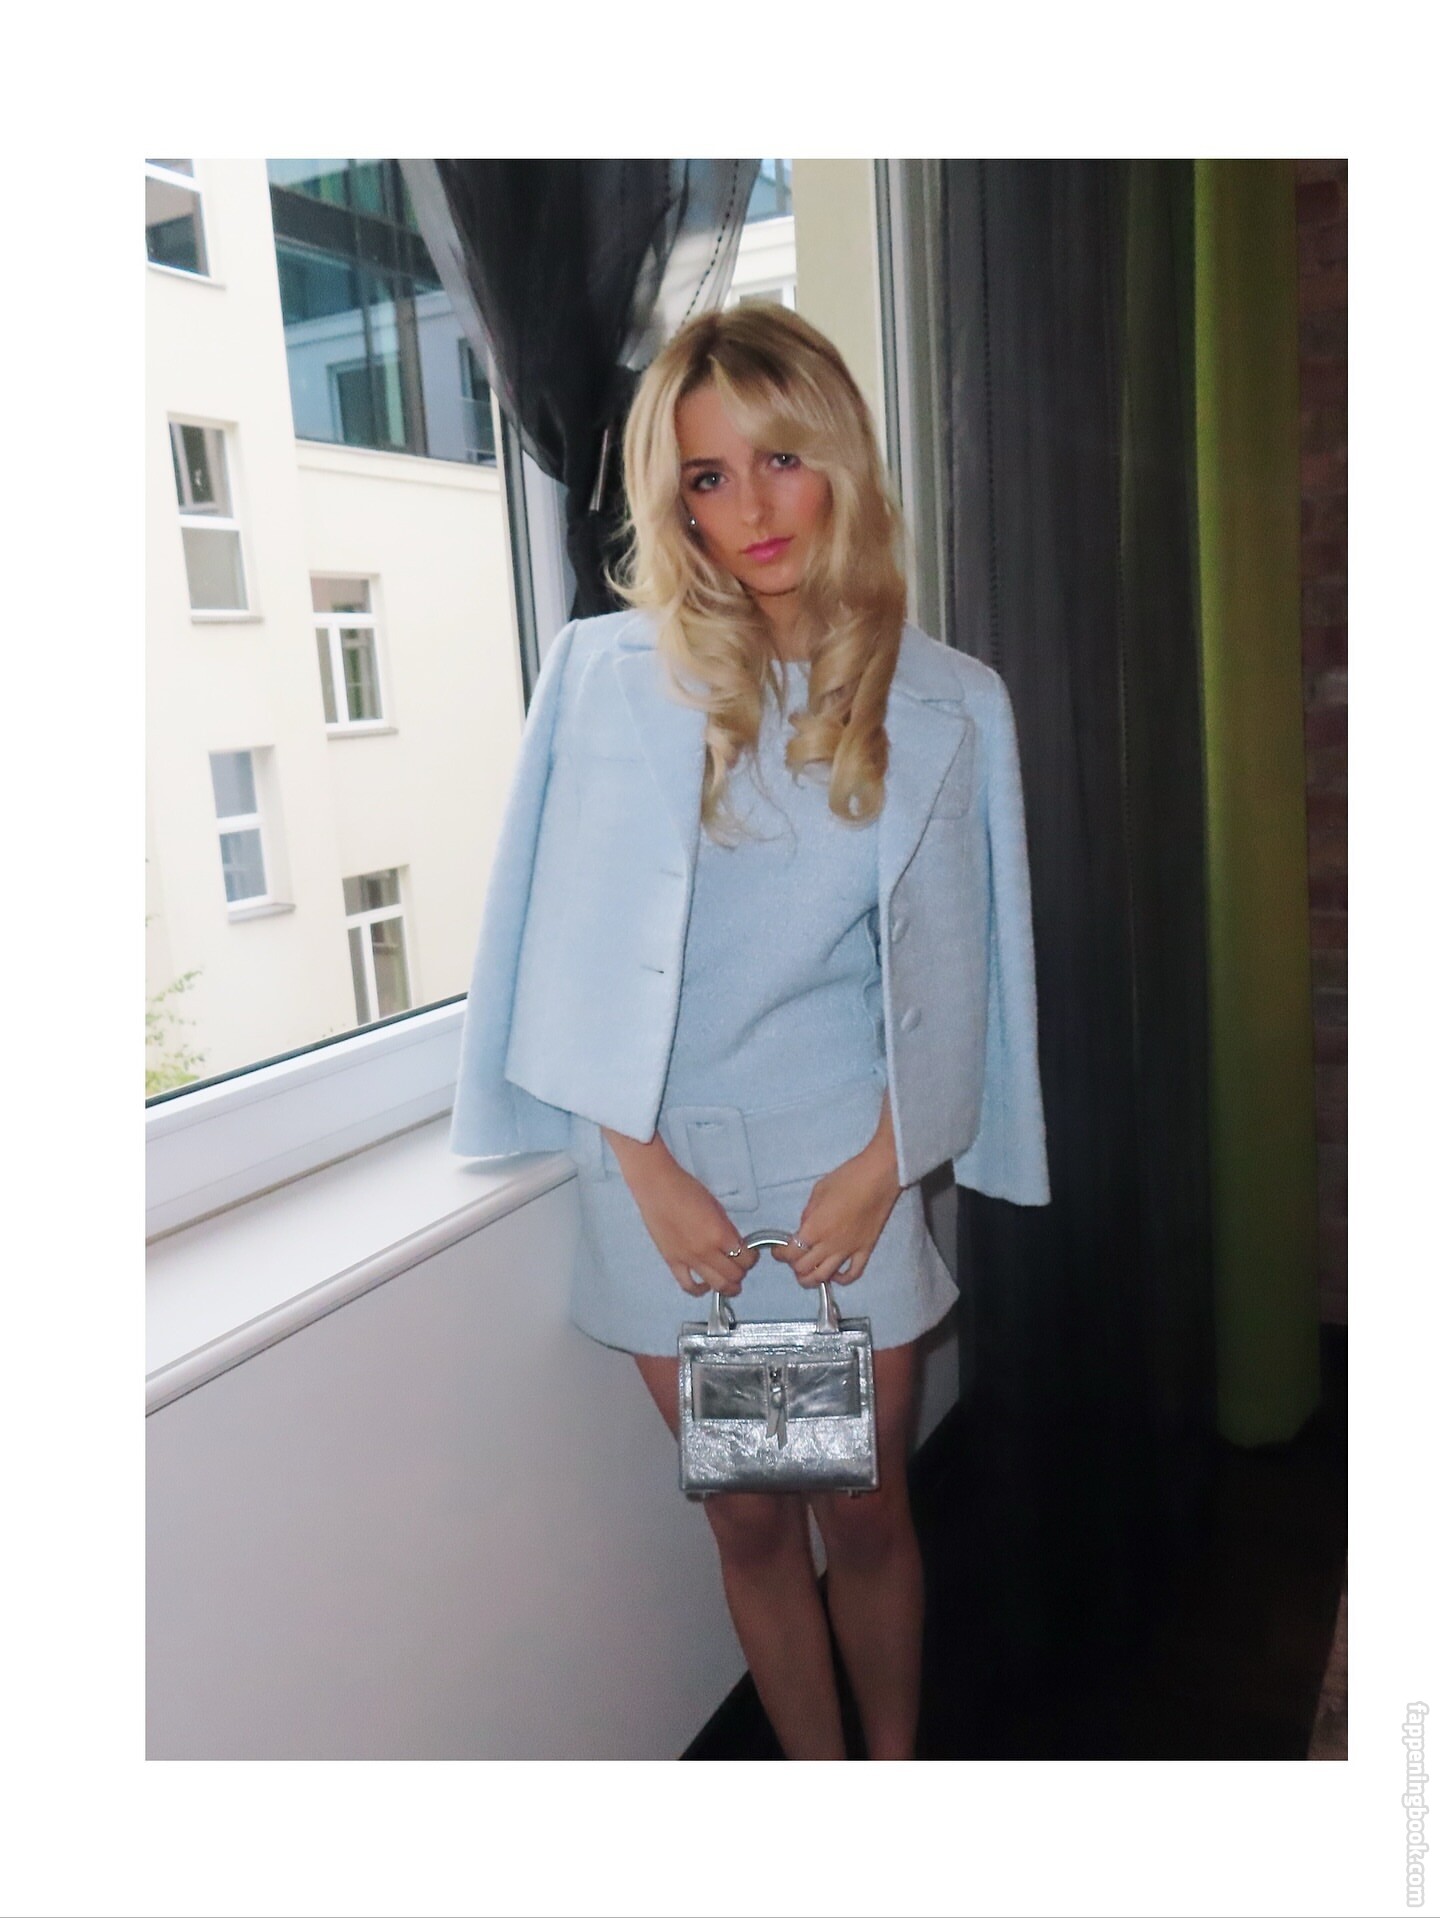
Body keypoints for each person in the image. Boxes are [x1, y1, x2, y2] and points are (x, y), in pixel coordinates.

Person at [449, 302, 1050, 1761]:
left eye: (781, 459)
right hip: (658, 1176)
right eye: (709, 477)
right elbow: (556, 949)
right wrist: (646, 1170)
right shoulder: (601, 677)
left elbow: (970, 974)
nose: (752, 509)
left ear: (840, 459)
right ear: (675, 500)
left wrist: (885, 1165)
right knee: (748, 1520)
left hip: (850, 1159)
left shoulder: (952, 701)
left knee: (868, 1508)